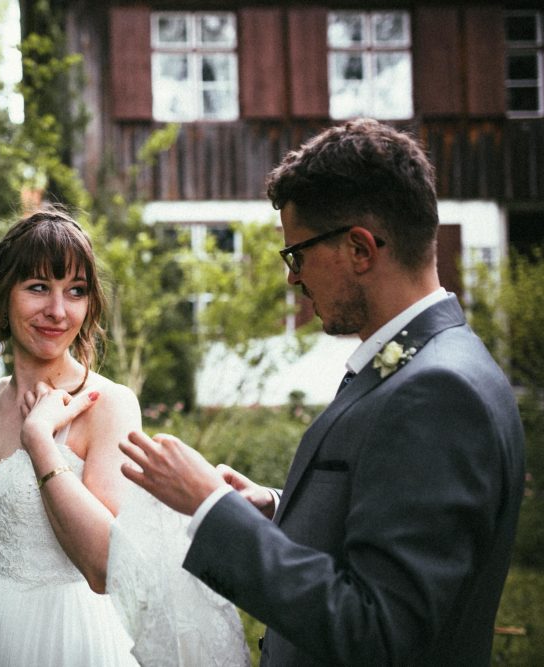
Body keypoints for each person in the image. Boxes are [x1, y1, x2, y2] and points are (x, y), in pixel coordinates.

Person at [120, 119, 525, 665]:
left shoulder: (437, 392)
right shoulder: (435, 360)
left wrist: (210, 508)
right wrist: (275, 509)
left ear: (359, 249)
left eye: (298, 254)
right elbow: (384, 515)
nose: (293, 278)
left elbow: (378, 631)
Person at [0, 206, 248, 666]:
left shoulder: (108, 405)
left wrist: (40, 441)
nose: (58, 311)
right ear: (4, 295)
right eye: (38, 287)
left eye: (75, 291)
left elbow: (104, 565)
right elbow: (2, 533)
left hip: (66, 633)